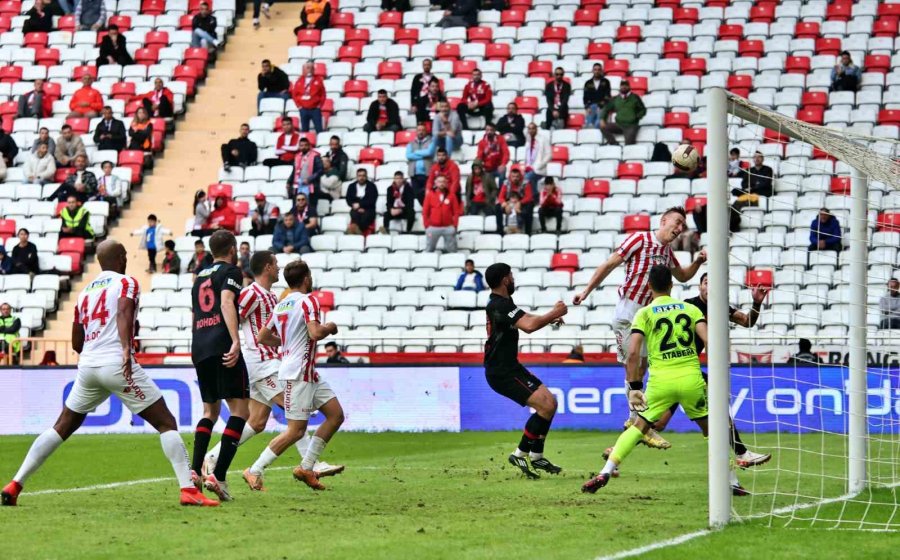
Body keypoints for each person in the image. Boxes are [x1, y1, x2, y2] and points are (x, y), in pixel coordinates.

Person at [1, 240, 219, 508]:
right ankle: (188, 490)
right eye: (124, 255)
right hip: (117, 362)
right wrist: (126, 349)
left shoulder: (83, 294)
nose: (126, 259)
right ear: (118, 258)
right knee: (166, 422)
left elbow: (77, 343)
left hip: (88, 366)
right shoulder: (126, 283)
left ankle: (15, 484)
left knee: (61, 427)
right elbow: (124, 313)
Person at [572, 207, 707, 450]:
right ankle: (639, 423)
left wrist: (698, 260)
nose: (678, 229)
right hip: (628, 312)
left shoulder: (666, 253)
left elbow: (684, 277)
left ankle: (636, 425)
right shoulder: (639, 239)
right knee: (633, 366)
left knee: (642, 368)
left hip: (648, 317)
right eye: (676, 223)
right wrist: (585, 291)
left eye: (682, 227)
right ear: (663, 220)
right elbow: (610, 264)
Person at [204, 252, 343, 483]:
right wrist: (234, 345)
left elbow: (268, 334)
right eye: (275, 264)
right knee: (294, 417)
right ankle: (310, 464)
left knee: (257, 422)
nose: (278, 268)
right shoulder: (250, 293)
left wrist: (286, 342)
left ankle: (213, 456)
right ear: (267, 267)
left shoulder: (274, 298)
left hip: (274, 362)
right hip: (261, 364)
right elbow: (233, 317)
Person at [582, 266, 709, 494]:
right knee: (712, 431)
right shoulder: (690, 309)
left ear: (649, 286)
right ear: (672, 285)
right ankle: (731, 481)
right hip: (691, 378)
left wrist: (634, 387)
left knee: (639, 426)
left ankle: (606, 471)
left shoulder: (644, 313)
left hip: (661, 382)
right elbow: (710, 341)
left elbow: (632, 353)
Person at [644, 273, 771, 490]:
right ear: (699, 286)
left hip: (688, 374)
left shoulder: (721, 308)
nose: (709, 286)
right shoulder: (687, 306)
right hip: (678, 370)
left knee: (660, 424)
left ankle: (618, 448)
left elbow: (747, 321)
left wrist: (756, 303)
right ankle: (741, 455)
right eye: (706, 282)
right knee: (715, 412)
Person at [242, 261, 344, 491]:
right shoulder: (310, 300)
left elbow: (263, 336)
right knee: (296, 430)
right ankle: (254, 470)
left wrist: (286, 343)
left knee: (336, 415)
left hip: (306, 372)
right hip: (298, 373)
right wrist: (331, 327)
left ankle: (307, 467)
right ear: (306, 278)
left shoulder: (282, 304)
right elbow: (315, 332)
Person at [484, 262, 567, 479]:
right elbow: (528, 326)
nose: (513, 278)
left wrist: (549, 318)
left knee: (551, 403)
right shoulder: (499, 305)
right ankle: (520, 453)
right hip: (501, 371)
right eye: (510, 275)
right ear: (505, 279)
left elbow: (525, 318)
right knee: (546, 405)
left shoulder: (503, 304)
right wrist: (554, 312)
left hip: (510, 367)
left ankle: (537, 456)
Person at [189, 230, 250, 501]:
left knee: (209, 411)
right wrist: (235, 340)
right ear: (233, 248)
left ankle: (194, 470)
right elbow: (226, 302)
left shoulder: (199, 276)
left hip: (200, 345)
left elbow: (196, 313)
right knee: (240, 411)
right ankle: (219, 475)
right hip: (221, 344)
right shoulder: (232, 272)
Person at [600, 81, 645, 146]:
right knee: (603, 128)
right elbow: (606, 108)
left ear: (629, 87)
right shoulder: (616, 99)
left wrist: (637, 117)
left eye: (626, 85)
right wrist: (602, 119)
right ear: (620, 87)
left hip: (631, 126)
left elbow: (642, 110)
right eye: (622, 85)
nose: (624, 87)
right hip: (619, 125)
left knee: (629, 145)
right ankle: (614, 144)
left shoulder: (635, 97)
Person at [423, 176, 460, 253]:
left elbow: (456, 212)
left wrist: (455, 225)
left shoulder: (452, 195)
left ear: (446, 183)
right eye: (439, 182)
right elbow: (425, 212)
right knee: (429, 249)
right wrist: (427, 226)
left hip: (448, 227)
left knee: (452, 250)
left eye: (443, 182)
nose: (441, 184)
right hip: (433, 227)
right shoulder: (430, 195)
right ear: (435, 183)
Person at [495, 168, 533, 235]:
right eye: (513, 176)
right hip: (509, 203)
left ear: (520, 176)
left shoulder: (526, 183)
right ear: (510, 176)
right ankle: (500, 232)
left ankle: (528, 232)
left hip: (521, 203)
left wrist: (520, 203)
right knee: (498, 207)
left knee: (530, 206)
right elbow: (500, 197)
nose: (515, 178)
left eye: (517, 176)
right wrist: (505, 204)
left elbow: (529, 197)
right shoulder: (506, 183)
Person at [407, 123, 437, 204]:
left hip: (427, 174)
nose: (421, 132)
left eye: (423, 130)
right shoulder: (411, 143)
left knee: (427, 194)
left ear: (426, 132)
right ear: (416, 132)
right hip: (414, 175)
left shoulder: (431, 142)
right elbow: (409, 156)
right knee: (417, 195)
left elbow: (429, 153)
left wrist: (415, 153)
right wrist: (423, 155)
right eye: (419, 130)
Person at [292, 62, 326, 133]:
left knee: (319, 130)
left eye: (312, 68)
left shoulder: (318, 80)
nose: (310, 70)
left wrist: (319, 106)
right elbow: (294, 95)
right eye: (308, 68)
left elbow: (323, 94)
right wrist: (299, 106)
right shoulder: (299, 80)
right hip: (303, 109)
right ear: (303, 69)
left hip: (315, 109)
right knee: (304, 130)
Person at [475, 122, 509, 189]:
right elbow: (479, 156)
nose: (489, 132)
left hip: (498, 167)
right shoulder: (482, 143)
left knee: (502, 173)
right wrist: (480, 166)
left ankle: (501, 194)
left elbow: (506, 153)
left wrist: (503, 164)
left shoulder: (501, 139)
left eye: (491, 130)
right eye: (487, 130)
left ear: (494, 130)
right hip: (487, 168)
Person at [523, 123, 551, 198]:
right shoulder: (528, 141)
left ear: (536, 129)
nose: (531, 130)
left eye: (533, 128)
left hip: (539, 169)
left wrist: (539, 165)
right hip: (528, 168)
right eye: (529, 128)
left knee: (527, 178)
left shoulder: (543, 139)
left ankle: (534, 197)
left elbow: (549, 155)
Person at [346, 169, 378, 235]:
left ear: (366, 176)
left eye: (363, 176)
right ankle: (358, 232)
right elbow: (348, 199)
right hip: (355, 209)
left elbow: (372, 200)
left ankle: (355, 231)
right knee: (354, 214)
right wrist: (355, 206)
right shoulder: (351, 186)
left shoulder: (372, 186)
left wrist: (360, 205)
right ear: (357, 176)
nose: (361, 178)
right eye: (359, 176)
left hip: (369, 209)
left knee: (365, 218)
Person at [583, 63, 611, 129]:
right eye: (595, 69)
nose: (597, 71)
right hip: (591, 107)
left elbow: (607, 96)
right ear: (592, 71)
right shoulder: (588, 83)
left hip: (602, 106)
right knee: (589, 125)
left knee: (598, 124)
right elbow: (585, 97)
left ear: (601, 71)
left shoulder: (606, 82)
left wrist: (600, 106)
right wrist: (587, 107)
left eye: (599, 69)